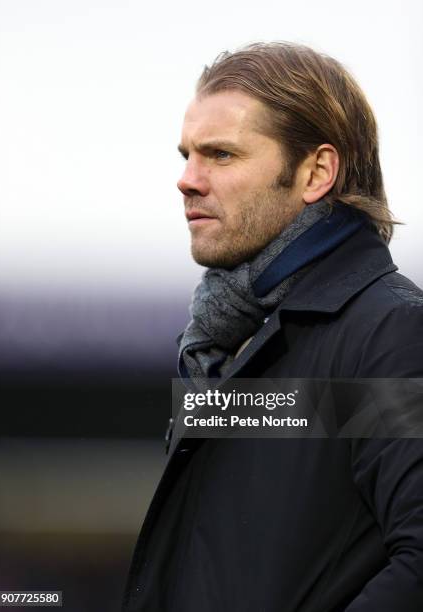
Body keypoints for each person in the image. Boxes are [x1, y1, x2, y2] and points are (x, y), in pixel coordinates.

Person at [122, 42, 423, 611]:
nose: (187, 180)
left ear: (316, 172)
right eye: (187, 155)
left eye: (221, 155)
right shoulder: (226, 341)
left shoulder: (390, 334)